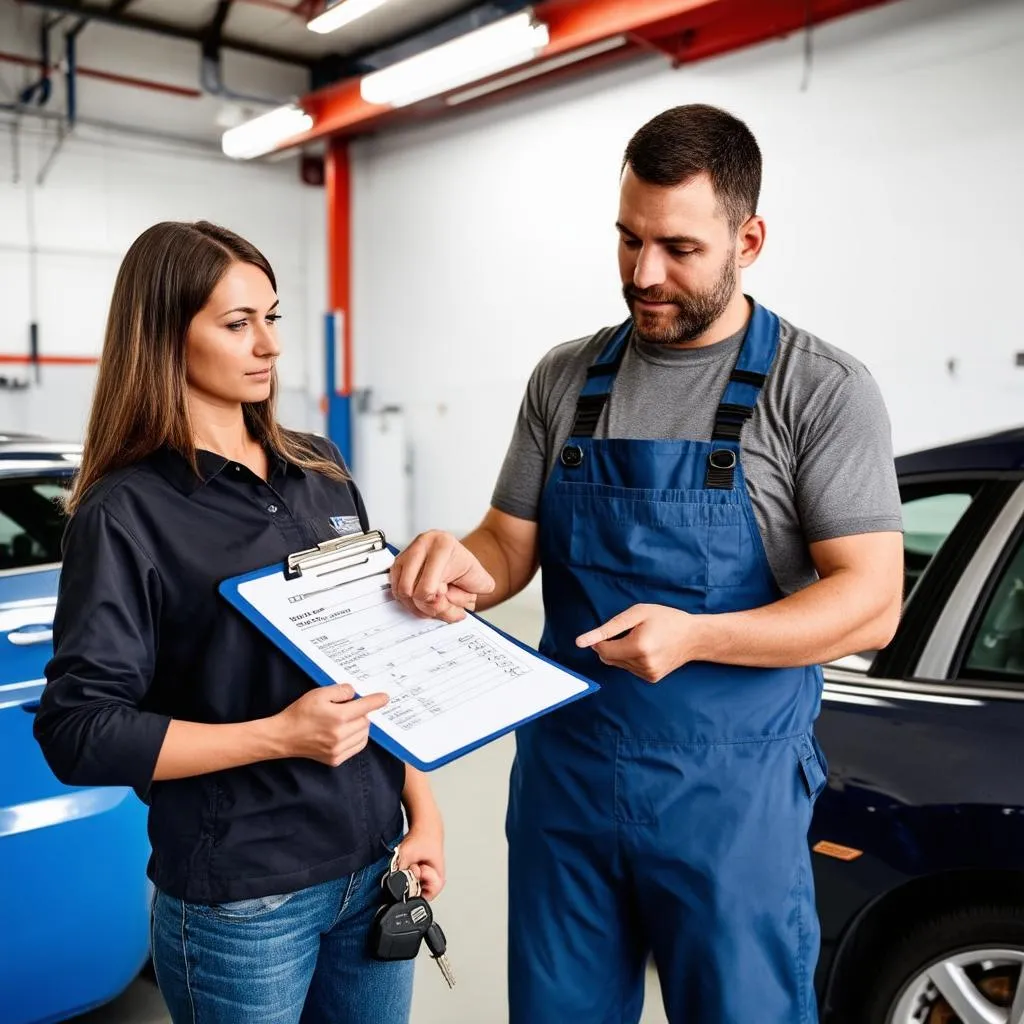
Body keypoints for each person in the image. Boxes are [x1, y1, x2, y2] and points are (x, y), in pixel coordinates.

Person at [390, 104, 904, 1023]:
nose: (643, 274)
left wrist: (700, 635)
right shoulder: (566, 377)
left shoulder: (818, 388)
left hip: (731, 793)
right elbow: (509, 544)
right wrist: (451, 561)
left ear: (748, 238)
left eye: (677, 247)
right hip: (567, 778)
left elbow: (871, 604)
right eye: (627, 240)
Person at [34, 220, 444, 1024]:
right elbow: (78, 730)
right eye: (237, 323)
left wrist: (422, 814)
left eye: (273, 316)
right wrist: (278, 736)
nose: (269, 345)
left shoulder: (321, 470)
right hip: (244, 903)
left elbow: (379, 659)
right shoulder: (125, 514)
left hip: (373, 869)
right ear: (164, 336)